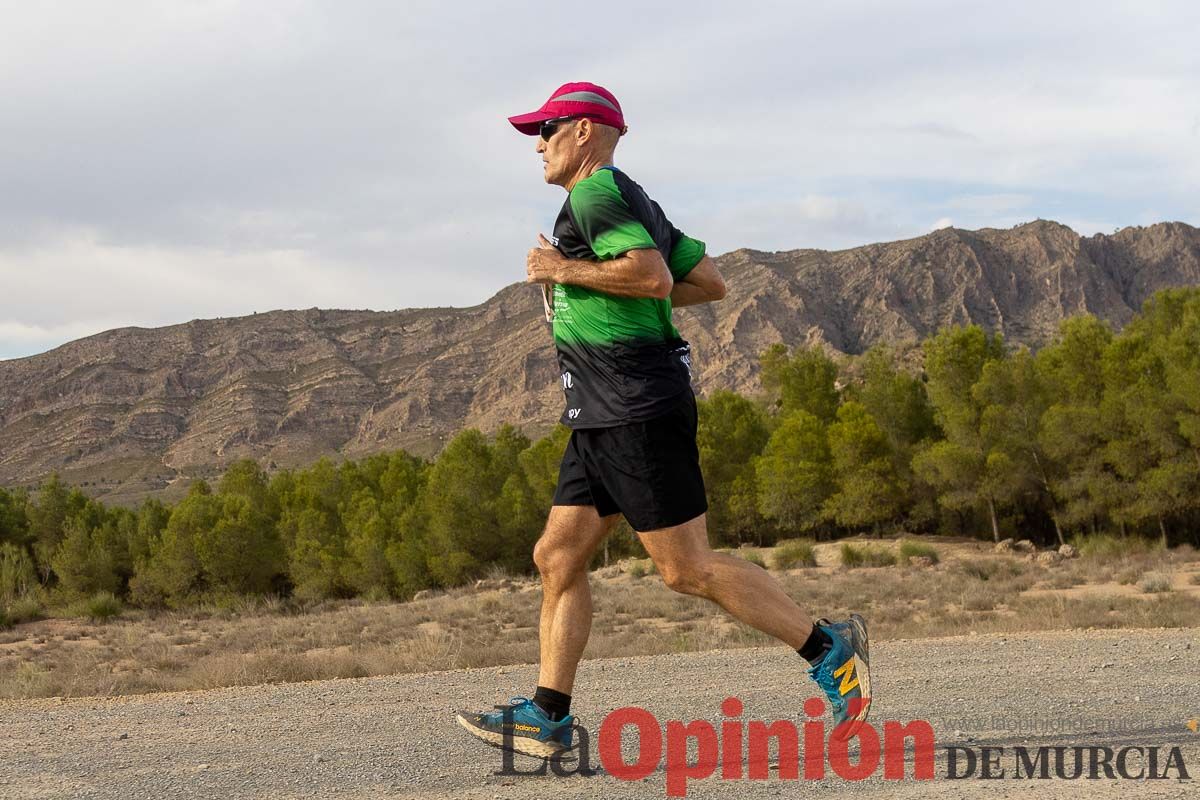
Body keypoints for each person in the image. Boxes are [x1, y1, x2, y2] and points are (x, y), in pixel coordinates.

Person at [456, 82, 870, 759]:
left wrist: (560, 269)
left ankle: (831, 651)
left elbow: (650, 278)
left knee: (686, 570)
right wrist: (603, 284)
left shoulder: (596, 196)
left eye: (548, 128)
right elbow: (706, 282)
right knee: (557, 556)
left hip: (634, 408)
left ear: (585, 131)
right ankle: (548, 716)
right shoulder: (631, 199)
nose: (538, 142)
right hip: (598, 412)